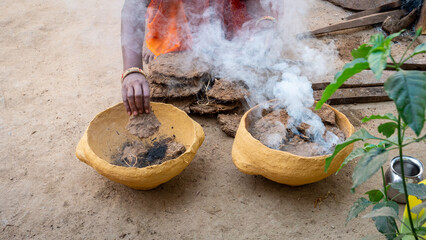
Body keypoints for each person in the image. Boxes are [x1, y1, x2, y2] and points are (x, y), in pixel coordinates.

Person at [120, 0, 276, 116]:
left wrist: (264, 20)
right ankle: (161, 41)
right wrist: (132, 70)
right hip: (175, 19)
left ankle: (220, 41)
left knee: (231, 62)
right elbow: (134, 5)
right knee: (172, 57)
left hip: (225, 18)